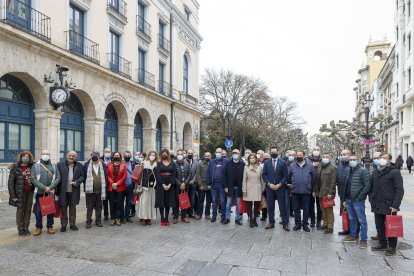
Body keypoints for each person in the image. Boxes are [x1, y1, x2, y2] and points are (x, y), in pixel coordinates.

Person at [371, 153, 404, 256]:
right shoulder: (375, 172)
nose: (381, 159)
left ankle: (392, 247)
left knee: (392, 226)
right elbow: (372, 187)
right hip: (377, 203)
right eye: (380, 158)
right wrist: (371, 198)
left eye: (384, 158)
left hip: (389, 204)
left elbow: (399, 190)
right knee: (379, 226)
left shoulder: (395, 172)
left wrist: (395, 205)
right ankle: (382, 243)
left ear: (390, 160)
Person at [342, 155, 371, 249]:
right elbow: (346, 185)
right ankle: (353, 235)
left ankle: (364, 240)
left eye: (354, 159)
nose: (352, 161)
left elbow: (367, 186)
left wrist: (359, 197)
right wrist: (344, 198)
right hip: (349, 199)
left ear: (358, 160)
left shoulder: (363, 171)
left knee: (362, 220)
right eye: (350, 160)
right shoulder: (348, 170)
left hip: (358, 200)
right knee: (352, 218)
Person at [31, 150, 61, 235]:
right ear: (40, 155)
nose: (45, 155)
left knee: (50, 210)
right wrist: (44, 187)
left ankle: (50, 226)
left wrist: (50, 187)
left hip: (50, 192)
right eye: (43, 154)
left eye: (47, 154)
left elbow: (58, 177)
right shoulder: (35, 165)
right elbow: (33, 178)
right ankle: (38, 227)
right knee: (38, 211)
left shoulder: (54, 165)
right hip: (40, 192)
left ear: (50, 155)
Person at [8, 151, 35, 236]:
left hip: (30, 192)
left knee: (28, 211)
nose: (25, 158)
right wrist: (13, 196)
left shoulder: (32, 167)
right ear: (21, 157)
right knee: (20, 210)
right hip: (20, 193)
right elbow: (11, 183)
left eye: (27, 157)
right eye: (24, 157)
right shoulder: (16, 168)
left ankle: (26, 228)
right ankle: (20, 228)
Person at [262, 146, 289, 231]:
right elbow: (264, 175)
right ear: (270, 153)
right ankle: (271, 222)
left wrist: (280, 184)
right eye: (272, 152)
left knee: (282, 206)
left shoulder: (283, 162)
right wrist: (269, 184)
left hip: (280, 188)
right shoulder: (266, 163)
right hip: (270, 188)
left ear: (278, 152)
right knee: (270, 206)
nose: (274, 153)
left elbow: (285, 176)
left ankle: (285, 223)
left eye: (275, 152)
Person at [57, 151, 84, 232]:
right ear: (67, 155)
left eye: (73, 156)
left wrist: (77, 182)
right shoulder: (60, 164)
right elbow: (57, 177)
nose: (71, 157)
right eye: (70, 155)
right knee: (63, 208)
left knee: (73, 208)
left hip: (74, 190)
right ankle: (63, 225)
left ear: (75, 157)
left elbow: (82, 176)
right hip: (63, 190)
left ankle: (72, 224)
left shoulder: (80, 165)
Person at [289, 150, 316, 232]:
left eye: (300, 155)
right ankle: (297, 224)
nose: (298, 156)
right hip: (295, 191)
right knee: (296, 209)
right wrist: (292, 184)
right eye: (297, 155)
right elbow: (289, 176)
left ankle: (305, 224)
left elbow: (314, 178)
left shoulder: (310, 166)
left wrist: (310, 187)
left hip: (306, 191)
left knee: (306, 209)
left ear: (304, 156)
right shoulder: (292, 165)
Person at [313, 152, 336, 234]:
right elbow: (316, 179)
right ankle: (325, 223)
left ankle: (330, 227)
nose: (325, 158)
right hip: (320, 192)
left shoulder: (332, 168)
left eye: (327, 157)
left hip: (327, 193)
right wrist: (315, 191)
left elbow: (333, 182)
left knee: (329, 210)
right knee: (323, 209)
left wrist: (331, 192)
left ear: (330, 158)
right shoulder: (319, 166)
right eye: (324, 157)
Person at [84, 151, 108, 228]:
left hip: (100, 190)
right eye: (93, 155)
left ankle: (98, 221)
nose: (95, 157)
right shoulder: (87, 165)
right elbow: (84, 177)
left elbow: (106, 176)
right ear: (91, 156)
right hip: (90, 191)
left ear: (99, 157)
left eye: (96, 155)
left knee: (99, 207)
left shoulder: (103, 165)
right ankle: (88, 222)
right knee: (89, 207)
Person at [154, 149, 177, 226]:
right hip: (160, 185)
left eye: (166, 154)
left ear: (168, 155)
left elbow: (174, 175)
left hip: (170, 185)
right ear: (161, 155)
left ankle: (166, 218)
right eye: (163, 154)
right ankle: (162, 218)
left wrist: (170, 184)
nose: (164, 155)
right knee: (161, 201)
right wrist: (163, 184)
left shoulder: (173, 163)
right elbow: (157, 175)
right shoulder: (158, 164)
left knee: (168, 202)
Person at [207, 148, 229, 223]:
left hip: (222, 185)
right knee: (214, 201)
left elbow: (228, 174)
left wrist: (227, 186)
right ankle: (214, 216)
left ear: (222, 153)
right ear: (215, 153)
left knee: (223, 202)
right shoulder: (212, 161)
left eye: (219, 152)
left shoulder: (226, 161)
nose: (218, 153)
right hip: (214, 185)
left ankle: (223, 217)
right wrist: (209, 183)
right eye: (217, 152)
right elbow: (208, 173)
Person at [224, 149, 245, 225]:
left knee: (238, 204)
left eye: (236, 153)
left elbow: (244, 177)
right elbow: (224, 176)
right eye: (234, 153)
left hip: (239, 187)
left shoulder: (243, 164)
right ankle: (227, 218)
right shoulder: (228, 163)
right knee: (228, 203)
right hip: (230, 187)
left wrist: (244, 187)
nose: (235, 154)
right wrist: (225, 186)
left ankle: (237, 218)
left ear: (239, 154)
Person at [243, 153, 264, 228]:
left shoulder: (260, 168)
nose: (252, 159)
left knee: (256, 206)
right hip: (249, 188)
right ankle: (251, 220)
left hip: (258, 188)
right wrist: (244, 189)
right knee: (249, 205)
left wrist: (263, 189)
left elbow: (262, 179)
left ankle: (255, 219)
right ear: (248, 159)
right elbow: (244, 179)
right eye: (250, 158)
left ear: (256, 159)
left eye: (253, 158)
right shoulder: (246, 167)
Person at [107, 153, 127, 226]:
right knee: (112, 203)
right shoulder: (109, 165)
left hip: (120, 187)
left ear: (120, 158)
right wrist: (112, 183)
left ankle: (117, 218)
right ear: (113, 157)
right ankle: (112, 218)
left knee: (119, 203)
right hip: (111, 187)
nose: (116, 158)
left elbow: (124, 176)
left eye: (118, 156)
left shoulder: (123, 165)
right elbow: (107, 175)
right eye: (115, 156)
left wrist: (117, 184)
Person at [139, 151, 158, 225]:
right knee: (144, 202)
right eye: (151, 155)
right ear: (148, 155)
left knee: (151, 202)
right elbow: (140, 174)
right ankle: (143, 218)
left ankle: (149, 218)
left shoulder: (157, 164)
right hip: (144, 186)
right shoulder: (144, 163)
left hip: (153, 187)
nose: (152, 156)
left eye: (153, 155)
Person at [174, 149, 191, 223]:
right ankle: (175, 217)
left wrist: (185, 183)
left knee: (184, 201)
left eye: (181, 154)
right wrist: (180, 184)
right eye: (179, 154)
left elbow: (190, 174)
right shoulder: (174, 164)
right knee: (176, 202)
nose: (180, 155)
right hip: (177, 186)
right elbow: (173, 176)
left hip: (185, 186)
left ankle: (183, 217)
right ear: (176, 155)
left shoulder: (187, 163)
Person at [336, 150, 351, 235]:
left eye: (344, 154)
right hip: (342, 194)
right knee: (345, 212)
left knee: (352, 214)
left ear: (349, 155)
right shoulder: (340, 165)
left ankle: (354, 231)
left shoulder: (352, 165)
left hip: (350, 194)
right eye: (341, 154)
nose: (342, 156)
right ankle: (346, 229)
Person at [307, 146, 322, 228]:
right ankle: (312, 221)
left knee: (319, 205)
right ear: (311, 151)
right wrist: (312, 166)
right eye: (314, 150)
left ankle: (319, 221)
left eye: (318, 150)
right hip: (310, 186)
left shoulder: (323, 160)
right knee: (310, 205)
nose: (316, 151)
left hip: (320, 186)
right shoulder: (307, 160)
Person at [196, 152, 212, 220]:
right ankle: (199, 214)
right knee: (200, 201)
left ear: (210, 156)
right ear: (204, 156)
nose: (207, 157)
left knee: (208, 201)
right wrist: (200, 185)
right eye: (206, 156)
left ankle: (207, 214)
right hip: (202, 185)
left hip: (210, 186)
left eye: (208, 156)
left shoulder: (213, 163)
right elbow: (198, 174)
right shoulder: (200, 163)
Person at [130, 151, 145, 217]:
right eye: (139, 156)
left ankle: (142, 213)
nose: (140, 158)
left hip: (143, 184)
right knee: (134, 198)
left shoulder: (146, 165)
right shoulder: (134, 164)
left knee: (142, 199)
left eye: (141, 157)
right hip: (135, 184)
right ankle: (133, 211)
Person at [123, 151, 135, 223]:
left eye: (128, 155)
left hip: (130, 186)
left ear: (130, 156)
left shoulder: (133, 164)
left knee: (128, 203)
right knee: (120, 203)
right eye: (125, 155)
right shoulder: (121, 164)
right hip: (122, 186)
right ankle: (122, 217)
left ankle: (127, 217)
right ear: (123, 156)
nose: (127, 156)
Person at [186, 149, 199, 218]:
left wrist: (193, 180)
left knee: (192, 198)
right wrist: (186, 181)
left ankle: (191, 212)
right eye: (189, 153)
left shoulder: (196, 162)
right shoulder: (184, 161)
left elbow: (197, 173)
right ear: (186, 154)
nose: (190, 154)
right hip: (185, 184)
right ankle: (185, 212)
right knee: (185, 198)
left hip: (193, 184)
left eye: (191, 153)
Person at [101, 147, 112, 221]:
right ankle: (105, 214)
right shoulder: (100, 160)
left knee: (112, 200)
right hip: (103, 183)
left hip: (111, 183)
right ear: (103, 152)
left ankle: (112, 214)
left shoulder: (113, 160)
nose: (107, 153)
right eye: (106, 152)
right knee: (104, 200)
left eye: (108, 152)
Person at [260, 152, 271, 221]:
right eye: (265, 158)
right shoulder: (260, 166)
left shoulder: (271, 165)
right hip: (263, 186)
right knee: (263, 201)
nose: (266, 159)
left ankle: (270, 215)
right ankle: (264, 215)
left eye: (267, 158)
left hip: (270, 186)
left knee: (270, 202)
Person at [285, 150, 296, 218]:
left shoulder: (298, 164)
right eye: (289, 155)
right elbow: (281, 175)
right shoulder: (284, 163)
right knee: (286, 203)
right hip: (286, 186)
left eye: (292, 155)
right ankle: (286, 219)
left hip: (295, 186)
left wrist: (293, 184)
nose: (291, 156)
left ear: (295, 156)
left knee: (296, 204)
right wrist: (286, 183)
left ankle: (297, 221)